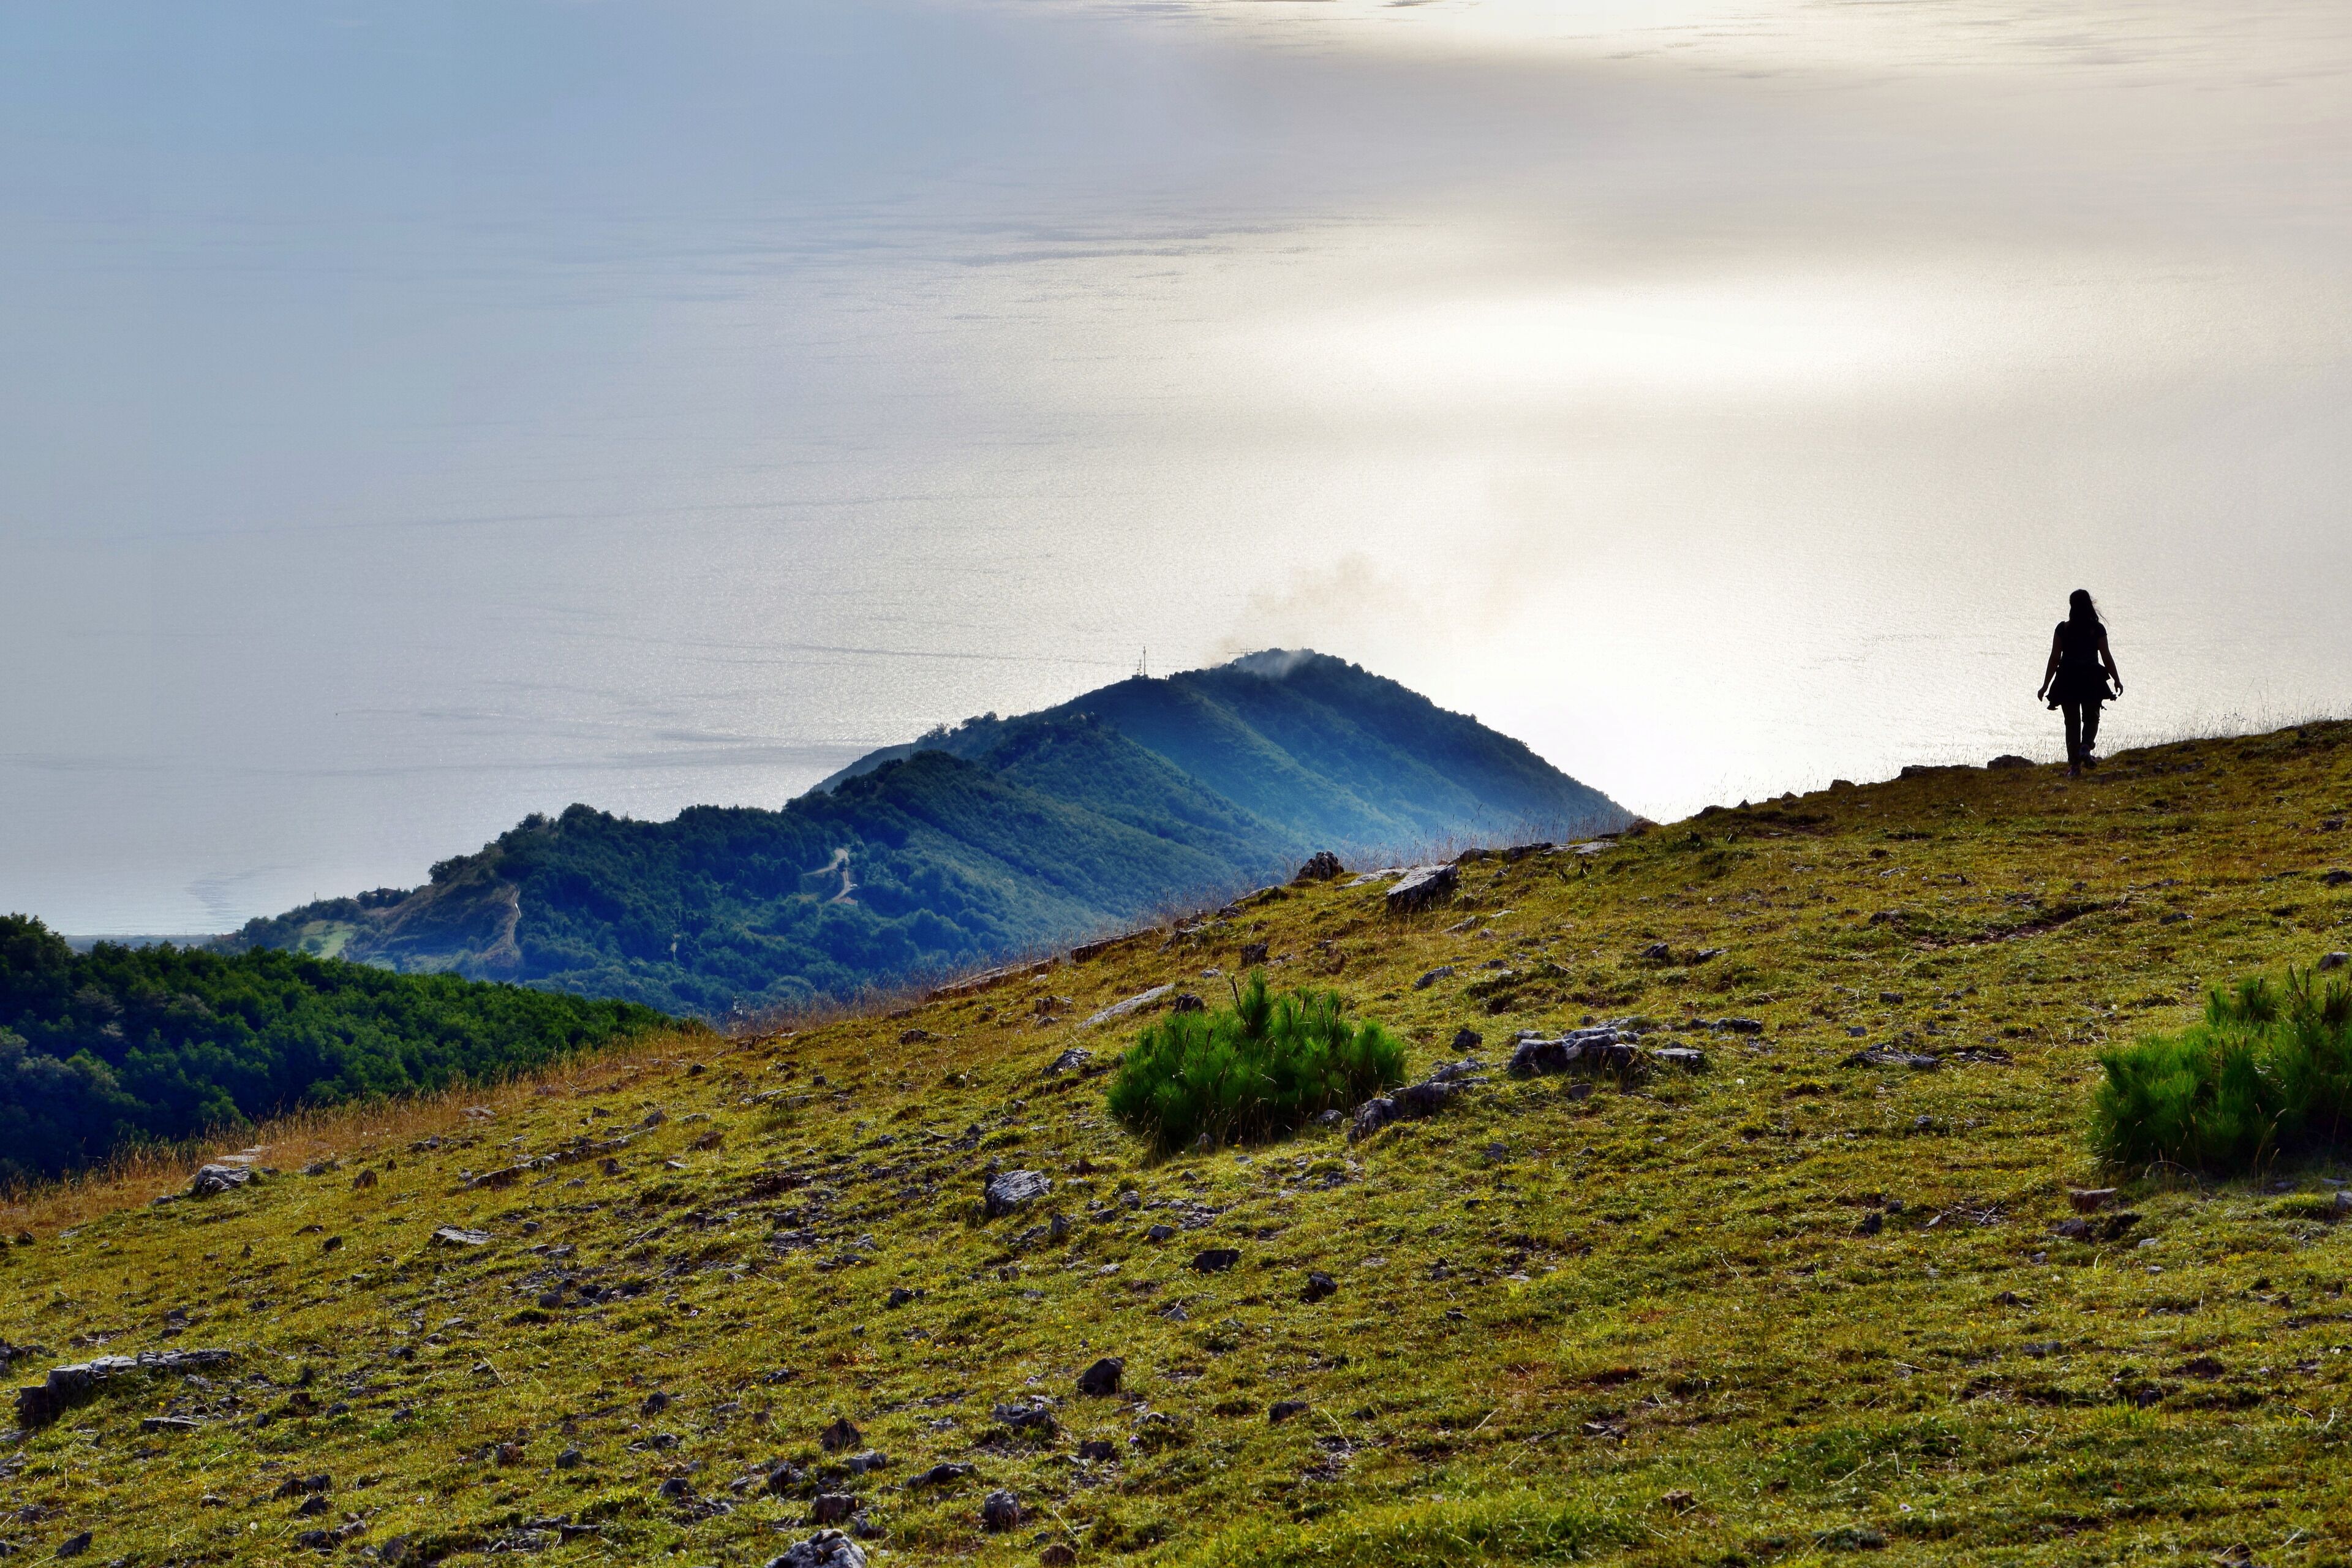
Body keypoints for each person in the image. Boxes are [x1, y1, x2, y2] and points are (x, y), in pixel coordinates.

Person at [2037, 589, 2122, 777]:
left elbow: (2054, 659)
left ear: (2072, 607)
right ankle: (2085, 747)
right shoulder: (2097, 629)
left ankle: (2075, 767)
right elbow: (2106, 657)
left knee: (2072, 723)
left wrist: (2045, 686)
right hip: (2091, 678)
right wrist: (2116, 679)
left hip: (2067, 679)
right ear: (2089, 605)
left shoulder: (2063, 629)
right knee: (2092, 717)